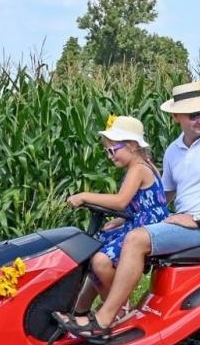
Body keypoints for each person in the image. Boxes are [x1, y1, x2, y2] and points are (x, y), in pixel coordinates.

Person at [58, 79, 200, 339]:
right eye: (194, 115)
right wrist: (127, 219)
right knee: (103, 245)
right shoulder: (174, 150)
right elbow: (164, 194)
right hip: (182, 222)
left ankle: (106, 319)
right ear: (176, 117)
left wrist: (199, 218)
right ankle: (81, 311)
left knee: (136, 240)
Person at [63, 115, 170, 316]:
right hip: (140, 221)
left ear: (131, 145)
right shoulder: (143, 165)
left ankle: (118, 308)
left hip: (148, 228)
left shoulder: (138, 169)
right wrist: (120, 220)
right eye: (107, 151)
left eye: (112, 150)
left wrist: (85, 196)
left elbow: (121, 201)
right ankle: (81, 309)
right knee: (95, 246)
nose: (110, 156)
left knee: (101, 261)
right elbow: (142, 203)